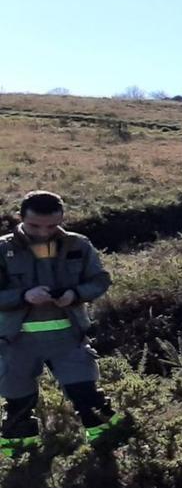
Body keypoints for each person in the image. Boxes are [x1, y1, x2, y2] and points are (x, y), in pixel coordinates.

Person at [0, 191, 125, 459]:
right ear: (20, 217)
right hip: (16, 342)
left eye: (52, 226)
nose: (43, 232)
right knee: (18, 402)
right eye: (35, 226)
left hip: (69, 338)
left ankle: (111, 448)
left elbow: (99, 280)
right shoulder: (3, 249)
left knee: (86, 394)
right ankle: (21, 458)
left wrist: (75, 294)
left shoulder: (78, 245)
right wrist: (23, 296)